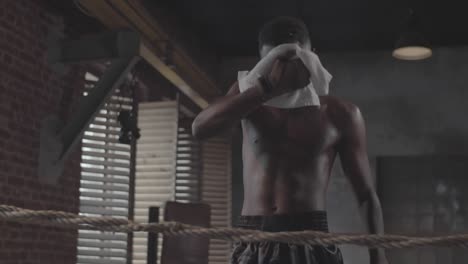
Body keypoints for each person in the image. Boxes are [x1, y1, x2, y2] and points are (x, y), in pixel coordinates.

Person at [192, 16, 388, 264]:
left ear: (313, 57)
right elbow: (199, 128)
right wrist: (264, 89)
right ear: (262, 63)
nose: (285, 69)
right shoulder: (247, 98)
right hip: (253, 239)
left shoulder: (341, 114)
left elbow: (366, 195)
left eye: (295, 60)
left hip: (310, 238)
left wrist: (379, 257)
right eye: (275, 61)